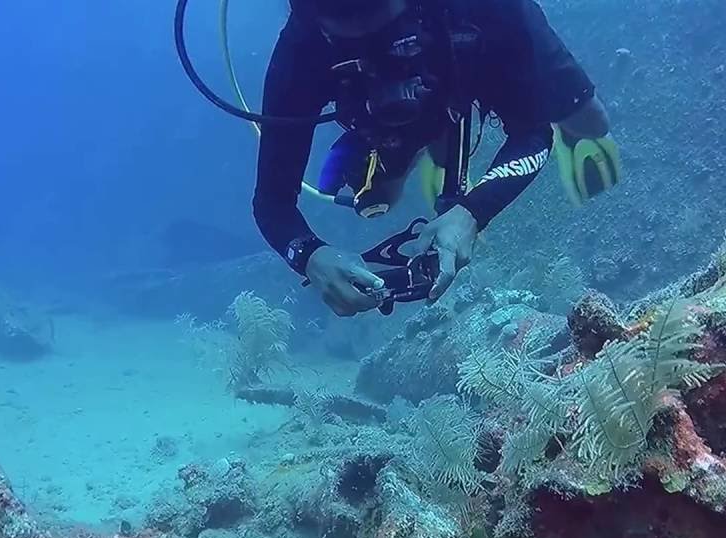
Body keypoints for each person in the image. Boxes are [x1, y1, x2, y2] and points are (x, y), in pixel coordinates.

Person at [253, 0, 621, 316]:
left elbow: (535, 133)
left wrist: (472, 212)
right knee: (378, 199)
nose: (378, 59)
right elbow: (272, 202)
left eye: (387, 33)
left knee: (591, 122)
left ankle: (449, 125)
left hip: (466, 48)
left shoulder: (487, 7)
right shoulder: (301, 48)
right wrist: (310, 256)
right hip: (384, 121)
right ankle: (419, 142)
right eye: (350, 45)